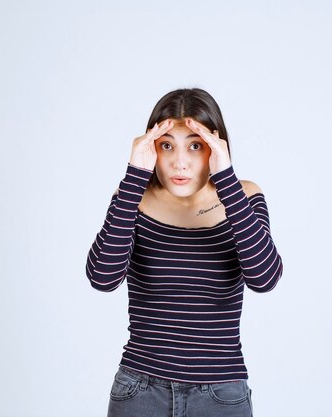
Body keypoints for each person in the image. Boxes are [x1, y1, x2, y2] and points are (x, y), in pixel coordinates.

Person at [86, 88, 283, 417]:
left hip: (220, 395)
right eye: (167, 145)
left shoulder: (244, 196)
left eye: (195, 145)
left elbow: (264, 278)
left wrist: (226, 178)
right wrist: (134, 177)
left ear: (215, 148)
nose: (180, 161)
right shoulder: (134, 196)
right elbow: (102, 277)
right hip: (139, 391)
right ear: (152, 149)